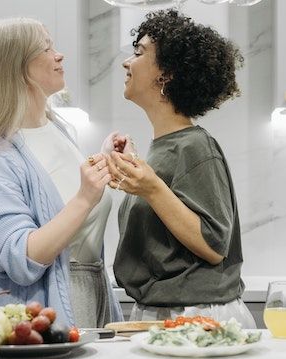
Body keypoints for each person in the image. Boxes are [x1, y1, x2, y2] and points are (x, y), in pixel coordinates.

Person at [0, 18, 122, 328]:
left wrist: (101, 164)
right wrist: (85, 197)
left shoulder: (57, 131)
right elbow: (20, 259)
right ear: (16, 66)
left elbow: (70, 217)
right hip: (48, 316)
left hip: (94, 296)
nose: (59, 55)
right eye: (46, 47)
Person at [107, 9, 256, 328]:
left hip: (196, 318)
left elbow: (215, 245)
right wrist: (138, 173)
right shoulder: (166, 147)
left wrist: (151, 187)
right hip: (170, 313)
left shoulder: (195, 146)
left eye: (138, 53)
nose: (126, 62)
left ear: (167, 74)